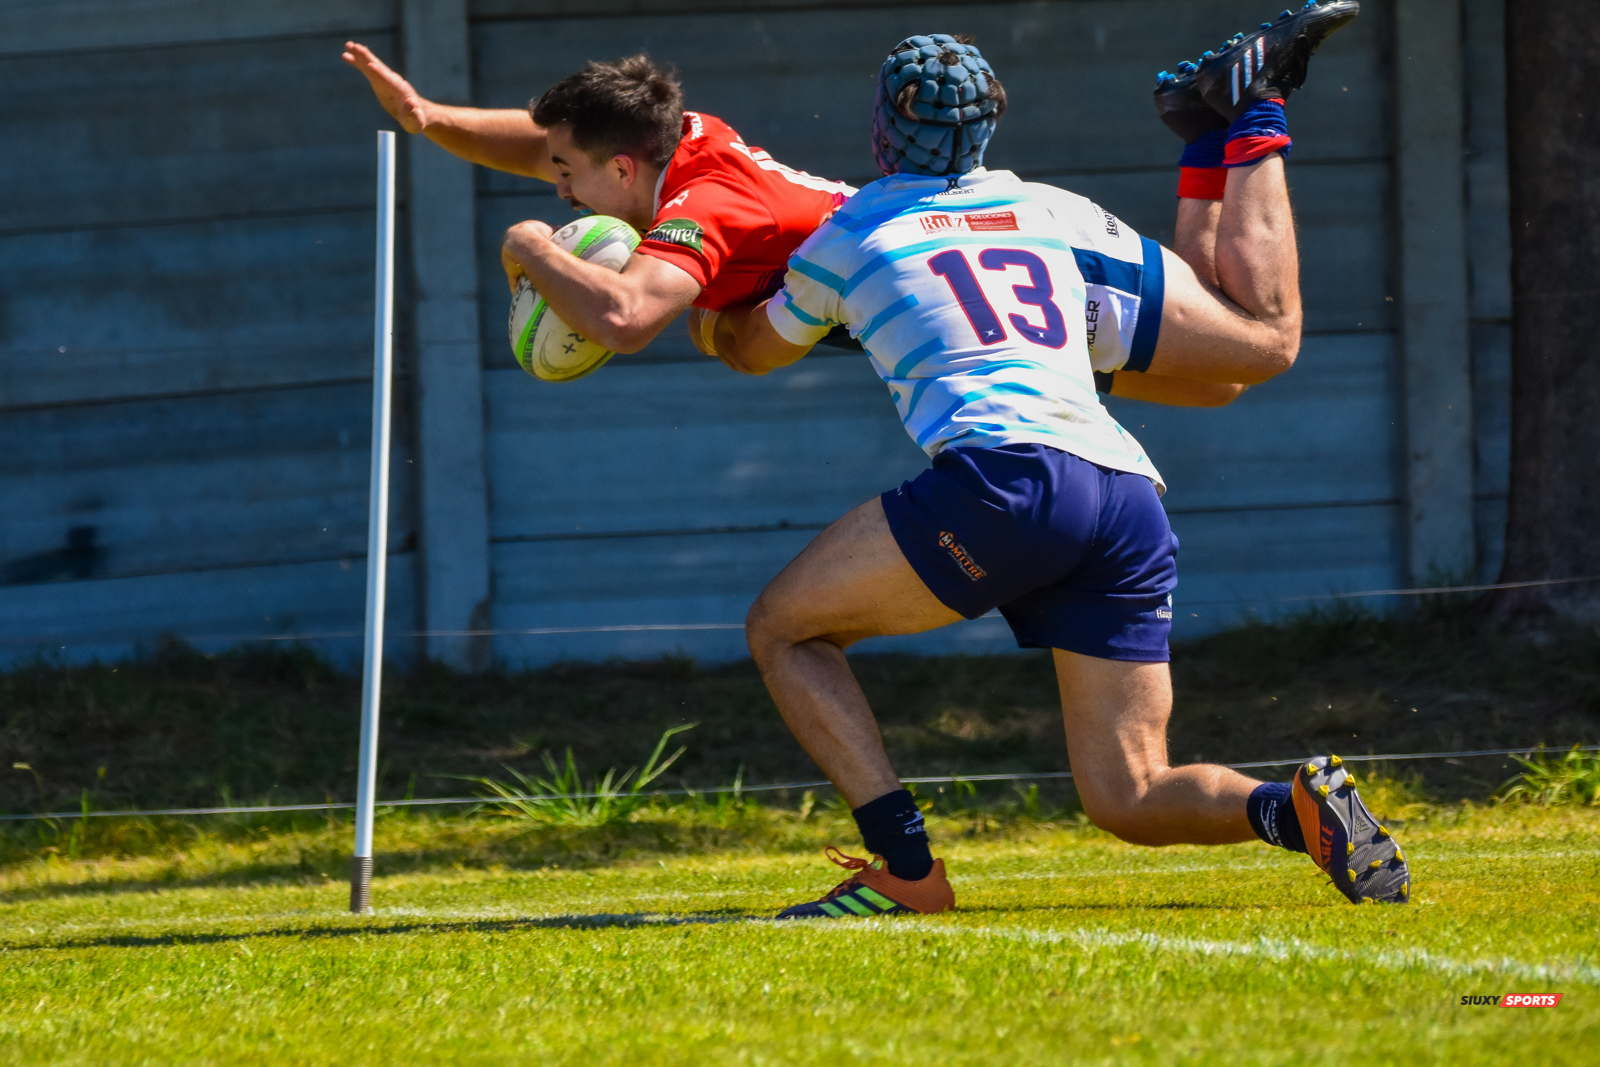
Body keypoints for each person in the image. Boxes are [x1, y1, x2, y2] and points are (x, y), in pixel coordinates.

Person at [700, 4, 1399, 918]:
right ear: (989, 127)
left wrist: (709, 313)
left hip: (1008, 483)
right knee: (1130, 793)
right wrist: (1202, 155)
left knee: (783, 629)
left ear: (881, 128)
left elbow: (759, 351)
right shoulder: (1053, 212)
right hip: (1124, 495)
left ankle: (907, 870)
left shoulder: (849, 234)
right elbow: (1217, 322)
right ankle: (1294, 810)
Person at [342, 43, 854, 353]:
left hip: (914, 287)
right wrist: (429, 117)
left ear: (621, 170)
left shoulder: (703, 205)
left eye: (565, 173)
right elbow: (537, 149)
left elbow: (624, 321)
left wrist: (527, 245)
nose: (560, 188)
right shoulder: (670, 138)